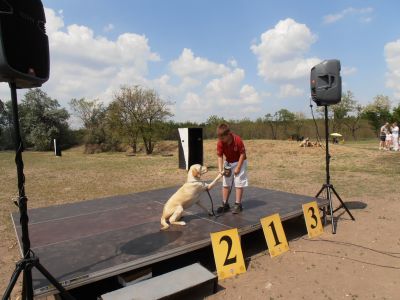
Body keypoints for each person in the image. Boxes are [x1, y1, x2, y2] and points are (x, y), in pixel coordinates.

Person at [216, 123, 248, 214]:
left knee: (238, 182)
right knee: (226, 183)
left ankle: (238, 204)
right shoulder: (220, 142)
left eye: (222, 138)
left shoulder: (237, 140)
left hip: (240, 161)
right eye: (219, 138)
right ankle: (225, 204)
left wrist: (238, 167)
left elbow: (242, 154)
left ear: (228, 134)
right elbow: (220, 156)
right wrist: (220, 169)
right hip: (228, 163)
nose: (221, 140)